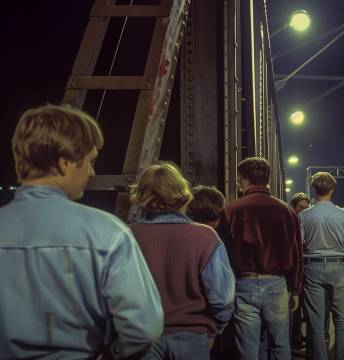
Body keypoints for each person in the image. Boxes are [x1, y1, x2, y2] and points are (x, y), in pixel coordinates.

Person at [0, 104, 163, 359]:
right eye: (89, 161)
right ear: (65, 163)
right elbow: (143, 329)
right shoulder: (108, 234)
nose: (91, 172)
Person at [130, 162, 235, 359]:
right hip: (192, 338)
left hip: (142, 338)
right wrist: (213, 329)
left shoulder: (126, 236)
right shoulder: (206, 236)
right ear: (182, 192)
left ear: (142, 194)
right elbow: (222, 298)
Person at [220, 157, 303, 360]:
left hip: (244, 284)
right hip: (277, 283)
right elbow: (296, 253)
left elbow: (223, 254)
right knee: (280, 345)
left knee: (248, 348)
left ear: (246, 179)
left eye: (240, 179)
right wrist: (295, 288)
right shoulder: (287, 211)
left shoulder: (231, 210)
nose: (239, 183)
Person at [299, 172, 344, 360]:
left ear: (314, 190)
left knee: (316, 321)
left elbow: (299, 246)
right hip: (337, 267)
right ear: (332, 189)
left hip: (312, 268)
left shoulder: (303, 216)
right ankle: (340, 355)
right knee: (341, 318)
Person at [288, 192, 311, 351]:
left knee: (297, 308)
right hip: (292, 271)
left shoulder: (301, 221)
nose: (303, 211)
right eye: (301, 207)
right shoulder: (292, 221)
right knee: (293, 307)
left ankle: (295, 337)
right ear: (293, 206)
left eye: (306, 208)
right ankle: (292, 340)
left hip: (300, 270)